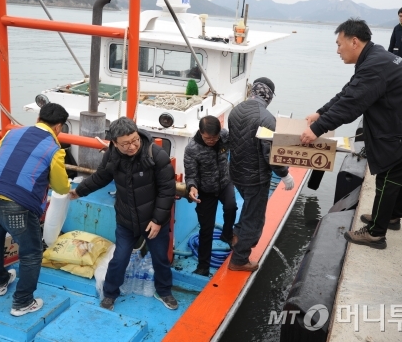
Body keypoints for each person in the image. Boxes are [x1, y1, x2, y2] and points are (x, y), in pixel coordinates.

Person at [300, 18, 402, 250]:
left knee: (389, 175)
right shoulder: (375, 57)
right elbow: (349, 92)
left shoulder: (374, 65)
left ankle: (375, 233)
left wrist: (316, 130)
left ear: (355, 42)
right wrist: (320, 113)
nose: (337, 50)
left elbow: (351, 105)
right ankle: (391, 217)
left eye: (339, 44)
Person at [69, 117, 177, 311]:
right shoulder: (111, 155)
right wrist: (79, 191)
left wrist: (158, 220)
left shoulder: (156, 155)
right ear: (115, 143)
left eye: (134, 140)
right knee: (119, 258)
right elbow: (100, 177)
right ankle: (110, 293)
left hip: (153, 220)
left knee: (160, 257)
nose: (132, 146)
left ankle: (164, 291)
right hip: (126, 219)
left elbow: (167, 190)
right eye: (125, 144)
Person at [0, 103, 70, 317]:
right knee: (31, 254)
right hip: (18, 205)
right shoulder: (54, 149)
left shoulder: (10, 135)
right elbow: (61, 187)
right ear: (59, 127)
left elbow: (3, 161)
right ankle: (22, 303)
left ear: (39, 117)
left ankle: (0, 282)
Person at [228, 77, 295, 272]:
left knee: (248, 209)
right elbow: (270, 154)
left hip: (236, 174)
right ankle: (239, 260)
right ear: (269, 96)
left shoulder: (236, 110)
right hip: (255, 179)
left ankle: (236, 235)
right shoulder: (266, 118)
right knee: (254, 218)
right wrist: (284, 174)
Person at [184, 115, 237, 276]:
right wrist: (192, 187)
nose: (212, 141)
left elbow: (239, 142)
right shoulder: (192, 149)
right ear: (201, 132)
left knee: (231, 207)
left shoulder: (225, 136)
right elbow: (191, 174)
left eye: (215, 138)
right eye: (208, 138)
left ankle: (227, 234)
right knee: (206, 230)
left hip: (224, 183)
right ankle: (203, 266)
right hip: (205, 191)